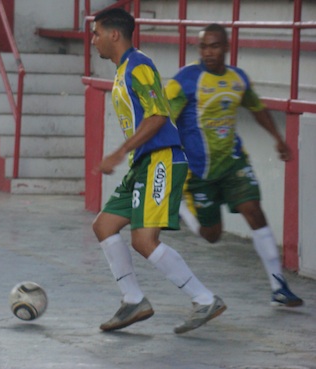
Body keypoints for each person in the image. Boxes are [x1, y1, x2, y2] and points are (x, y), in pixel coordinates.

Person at [90, 8, 226, 335]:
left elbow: (158, 117)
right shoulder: (124, 70)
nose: (93, 40)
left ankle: (205, 299)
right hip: (144, 163)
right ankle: (133, 298)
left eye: (96, 33)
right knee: (104, 225)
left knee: (144, 240)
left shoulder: (139, 66)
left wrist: (119, 152)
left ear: (114, 34)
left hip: (161, 159)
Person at [165, 23, 303, 307]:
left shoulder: (238, 79)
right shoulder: (185, 80)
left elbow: (256, 108)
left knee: (254, 211)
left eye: (214, 46)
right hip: (198, 172)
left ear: (226, 48)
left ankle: (278, 286)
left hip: (232, 163)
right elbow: (163, 119)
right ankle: (181, 207)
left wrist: (278, 138)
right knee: (212, 236)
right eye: (203, 46)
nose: (208, 52)